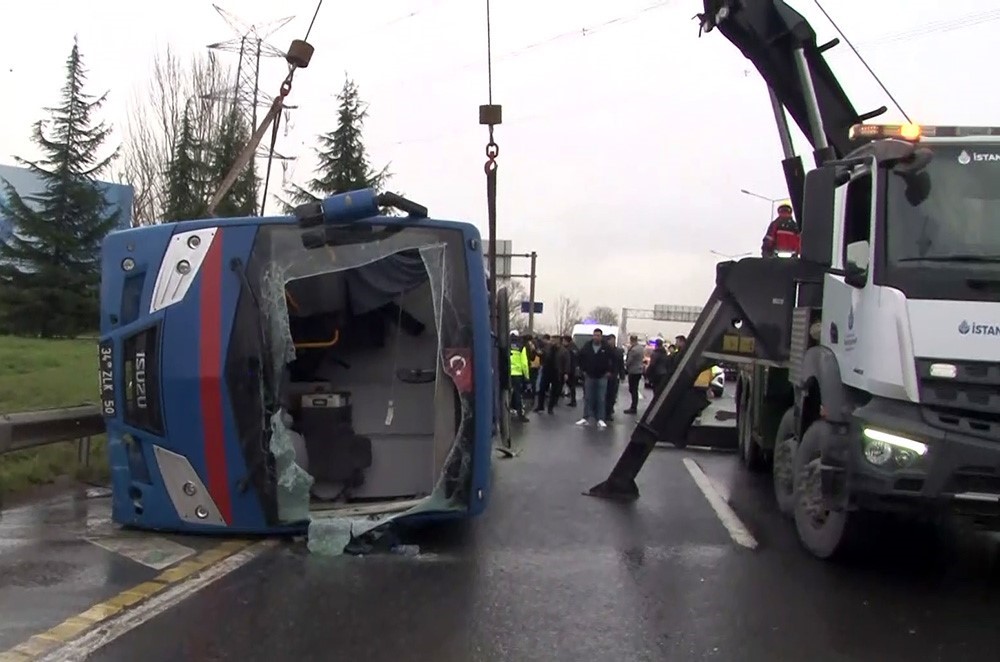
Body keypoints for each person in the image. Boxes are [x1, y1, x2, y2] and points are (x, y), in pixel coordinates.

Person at [575, 328, 614, 429]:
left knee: (601, 398)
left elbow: (613, 359)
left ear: (601, 336)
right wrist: (583, 370)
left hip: (602, 376)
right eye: (595, 335)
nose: (596, 337)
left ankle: (601, 418)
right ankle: (586, 417)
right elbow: (579, 358)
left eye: (598, 335)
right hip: (589, 375)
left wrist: (609, 371)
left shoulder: (606, 348)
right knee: (588, 397)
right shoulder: (587, 346)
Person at [536, 334, 570, 413]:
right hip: (547, 370)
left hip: (557, 372)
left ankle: (550, 407)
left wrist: (566, 373)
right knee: (542, 389)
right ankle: (540, 406)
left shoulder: (563, 351)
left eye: (554, 340)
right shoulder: (547, 348)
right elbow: (542, 355)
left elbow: (567, 362)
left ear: (558, 341)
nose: (552, 342)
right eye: (551, 340)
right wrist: (538, 353)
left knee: (554, 391)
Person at [508, 332, 530, 422]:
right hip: (517, 374)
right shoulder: (521, 346)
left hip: (507, 373)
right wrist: (527, 376)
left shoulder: (506, 344)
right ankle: (520, 415)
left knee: (506, 393)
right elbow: (524, 363)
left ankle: (504, 413)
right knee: (518, 394)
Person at [604, 333, 626, 421]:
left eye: (613, 340)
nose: (612, 342)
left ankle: (609, 412)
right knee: (604, 395)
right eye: (610, 340)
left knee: (612, 395)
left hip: (614, 376)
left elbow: (621, 365)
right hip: (604, 375)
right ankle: (603, 411)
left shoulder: (618, 352)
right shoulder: (604, 351)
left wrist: (622, 375)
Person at [624, 334, 645, 414]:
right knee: (634, 389)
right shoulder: (641, 348)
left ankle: (633, 407)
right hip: (639, 370)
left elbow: (630, 361)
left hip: (633, 371)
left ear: (631, 340)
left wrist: (625, 366)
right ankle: (634, 406)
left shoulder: (633, 349)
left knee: (633, 389)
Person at [564, 335, 579, 407]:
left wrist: (567, 371)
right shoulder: (574, 347)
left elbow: (569, 360)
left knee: (571, 385)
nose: (563, 343)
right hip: (573, 369)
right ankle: (573, 400)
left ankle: (573, 401)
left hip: (571, 369)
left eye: (564, 341)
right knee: (571, 385)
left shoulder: (569, 348)